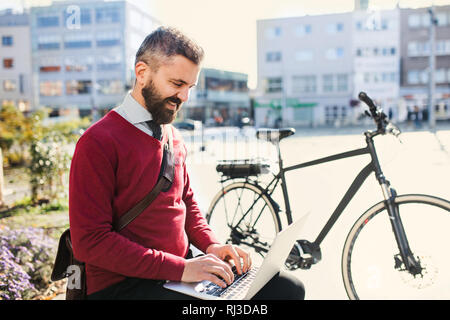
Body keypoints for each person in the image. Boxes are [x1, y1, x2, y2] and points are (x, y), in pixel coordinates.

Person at [69, 26, 305, 300]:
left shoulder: (173, 136)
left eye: (190, 87)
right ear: (142, 73)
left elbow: (186, 203)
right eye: (177, 84)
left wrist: (212, 246)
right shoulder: (97, 141)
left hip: (179, 274)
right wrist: (183, 269)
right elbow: (90, 242)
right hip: (124, 286)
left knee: (287, 288)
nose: (184, 97)